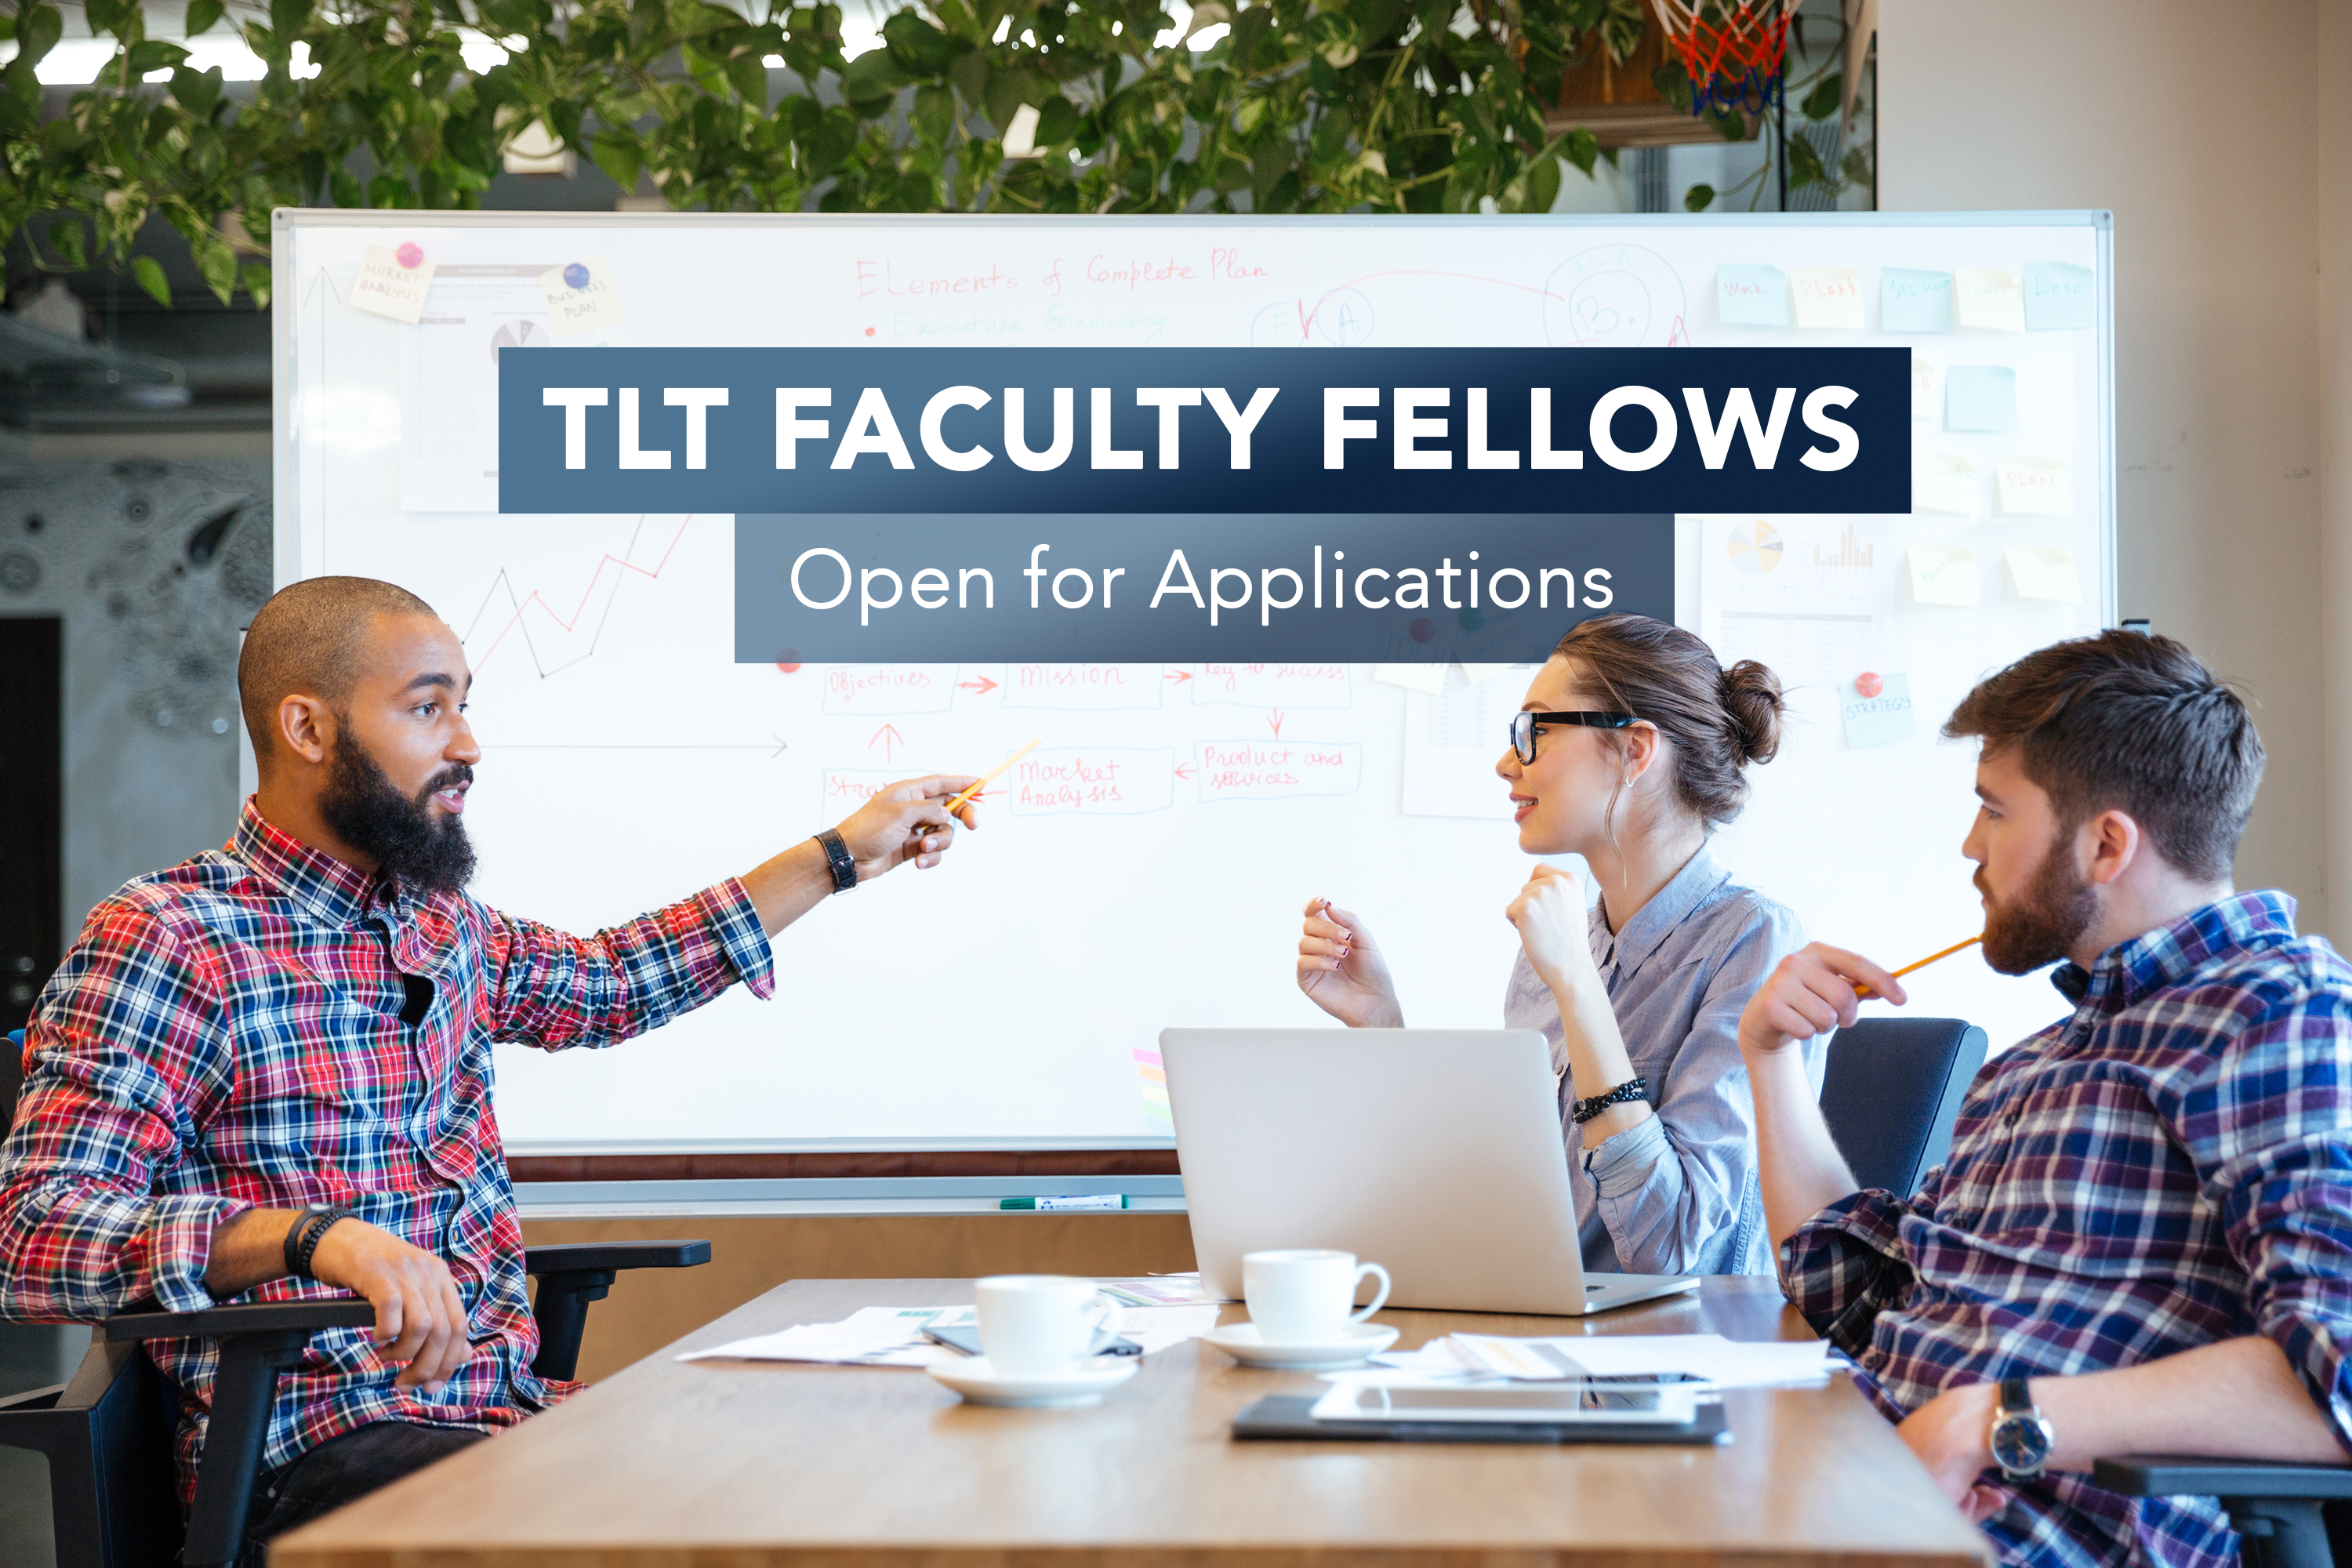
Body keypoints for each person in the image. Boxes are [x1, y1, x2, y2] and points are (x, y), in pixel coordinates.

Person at [0, 576, 983, 1558]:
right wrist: (314, 1239)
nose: (466, 743)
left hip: (497, 1415)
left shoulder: (440, 925)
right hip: (315, 1460)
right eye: (430, 707)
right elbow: (39, 1235)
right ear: (307, 727)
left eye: (464, 705)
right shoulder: (168, 936)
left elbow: (612, 980)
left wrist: (844, 853)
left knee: (794, 1465)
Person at [1739, 630, 2352, 1568]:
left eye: (1994, 810)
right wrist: (1772, 1054)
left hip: (2019, 1536)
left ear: (2106, 843)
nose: (1969, 845)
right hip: (1865, 1491)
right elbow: (1853, 1296)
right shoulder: (2042, 1061)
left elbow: (2338, 1363)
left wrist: (2002, 1418)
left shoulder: (2280, 1012)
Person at [1294, 613, 1813, 1276]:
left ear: (1634, 751)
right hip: (1545, 1337)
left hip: (1675, 1361)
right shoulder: (1566, 939)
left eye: (1535, 730)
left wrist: (1577, 981)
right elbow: (1498, 1203)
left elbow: (1671, 1247)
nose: (1507, 762)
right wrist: (1383, 1025)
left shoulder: (1756, 941)